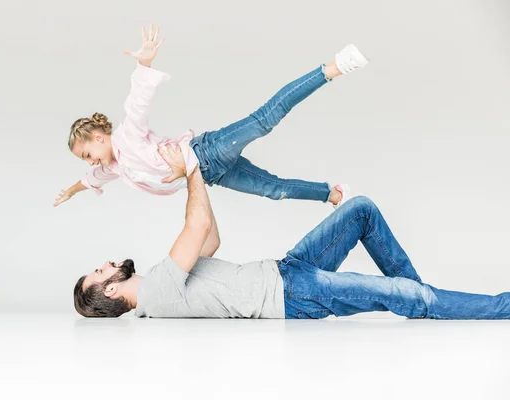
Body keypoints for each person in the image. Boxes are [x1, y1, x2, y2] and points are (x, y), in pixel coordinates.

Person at [72, 144, 510, 320]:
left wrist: (199, 178)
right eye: (99, 271)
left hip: (286, 270)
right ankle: (492, 307)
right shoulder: (156, 293)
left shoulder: (162, 278)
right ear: (110, 291)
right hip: (291, 294)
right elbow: (198, 223)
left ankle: (421, 299)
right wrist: (188, 167)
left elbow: (209, 240)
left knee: (360, 210)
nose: (106, 264)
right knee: (406, 296)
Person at [54, 24, 370, 210]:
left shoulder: (126, 137)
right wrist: (70, 191)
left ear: (98, 136)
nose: (90, 161)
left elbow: (137, 103)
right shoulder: (115, 166)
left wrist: (144, 66)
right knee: (274, 190)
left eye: (87, 153)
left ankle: (332, 68)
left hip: (208, 151)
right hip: (210, 174)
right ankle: (331, 193)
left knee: (264, 120)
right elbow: (92, 179)